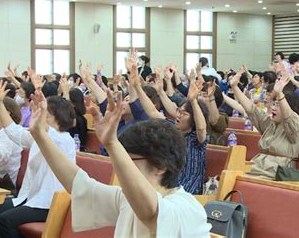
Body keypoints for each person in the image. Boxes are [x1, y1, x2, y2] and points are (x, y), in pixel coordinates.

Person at [29, 90, 211, 237]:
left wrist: (112, 144)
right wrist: (40, 135)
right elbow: (77, 184)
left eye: (129, 161)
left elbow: (150, 212)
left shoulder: (186, 208)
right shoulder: (128, 199)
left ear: (160, 166)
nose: (120, 169)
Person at [0, 80, 77, 238]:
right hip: (31, 197)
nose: (39, 114)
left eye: (45, 114)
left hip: (50, 203)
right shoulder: (39, 136)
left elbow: (44, 132)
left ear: (55, 117)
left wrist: (39, 115)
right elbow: (13, 131)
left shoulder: (63, 139)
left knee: (5, 220)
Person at [131, 57, 209, 194]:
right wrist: (137, 87)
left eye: (184, 114)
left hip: (189, 194)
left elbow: (202, 128)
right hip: (169, 191)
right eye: (179, 111)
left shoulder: (197, 139)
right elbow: (152, 111)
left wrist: (193, 101)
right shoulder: (172, 130)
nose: (178, 115)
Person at [230, 69, 299, 180]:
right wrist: (235, 87)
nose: (273, 108)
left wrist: (280, 94)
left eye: (278, 105)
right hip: (257, 168)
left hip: (277, 173)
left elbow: (289, 117)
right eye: (273, 104)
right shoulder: (270, 124)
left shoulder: (294, 127)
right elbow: (251, 110)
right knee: (228, 177)